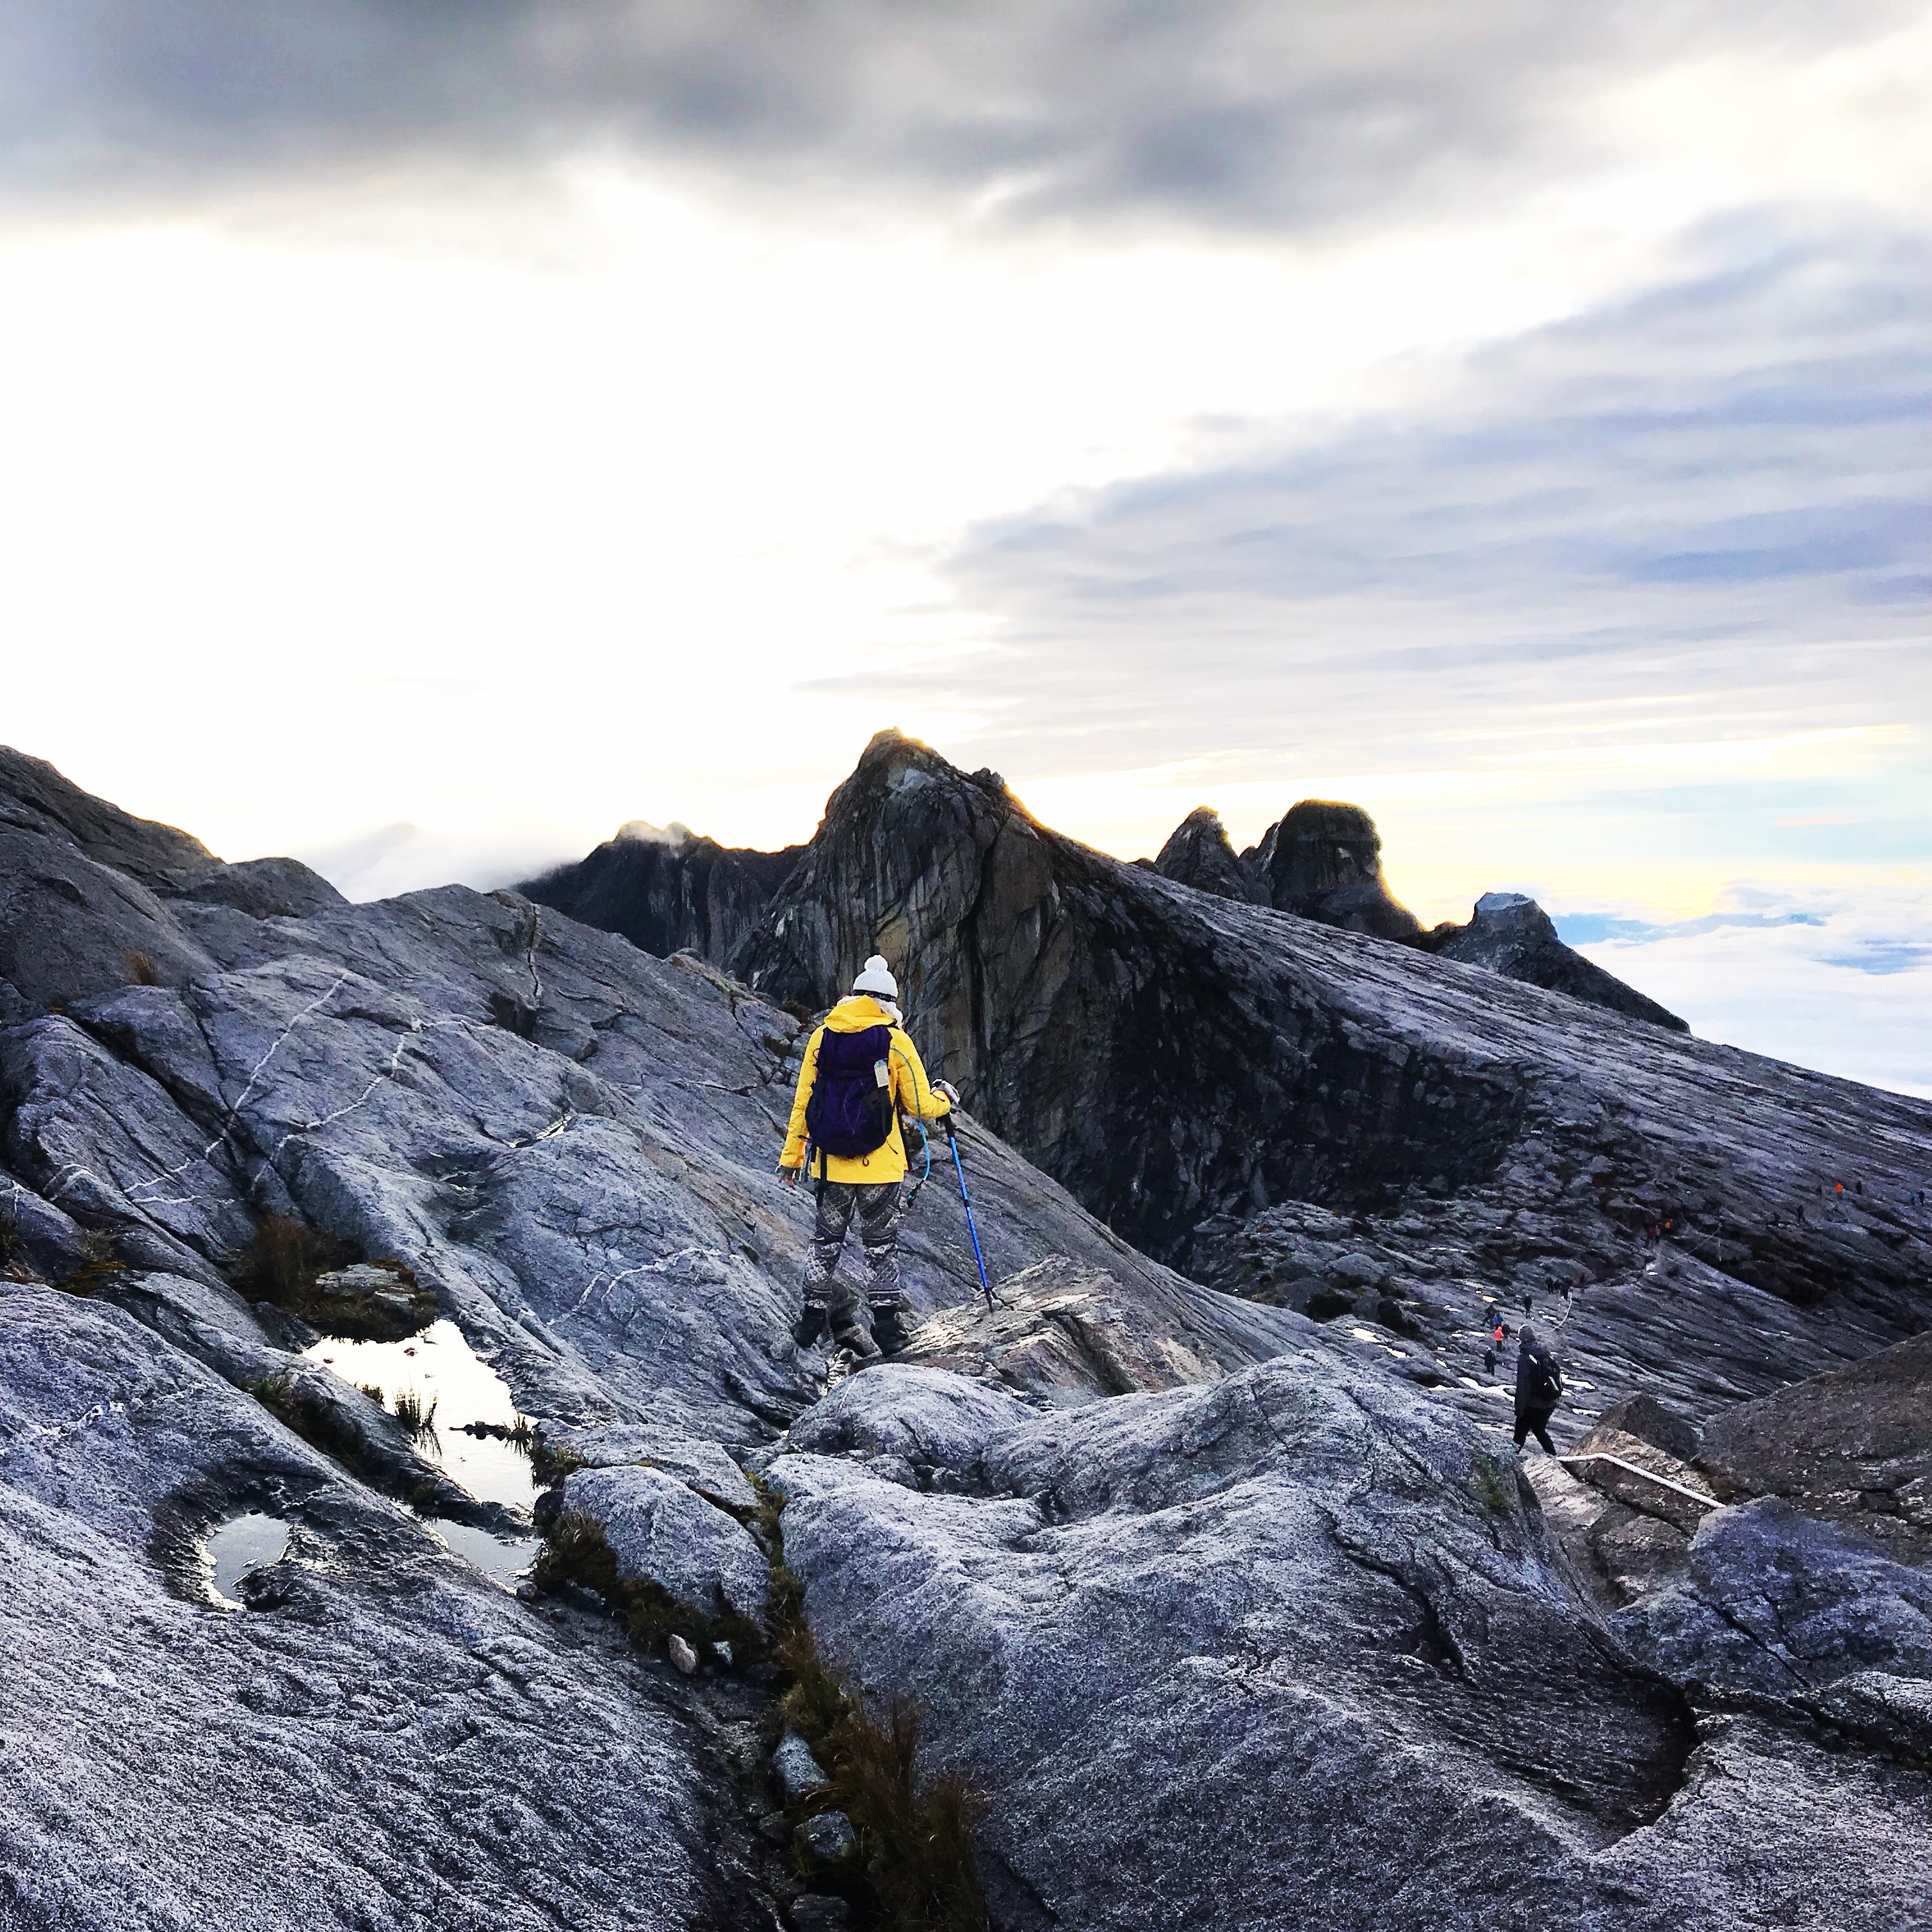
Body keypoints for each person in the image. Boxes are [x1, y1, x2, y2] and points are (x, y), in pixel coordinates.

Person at [777, 954, 956, 1358]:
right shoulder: (894, 1040)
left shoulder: (822, 1037)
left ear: (854, 996)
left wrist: (792, 1156)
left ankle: (809, 1320)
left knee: (826, 1243)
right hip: (881, 1165)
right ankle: (888, 1331)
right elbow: (919, 1105)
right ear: (889, 1000)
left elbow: (804, 1101)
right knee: (881, 1246)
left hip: (831, 1164)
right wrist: (946, 1100)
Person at [1513, 1321, 1564, 1455]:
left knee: (1519, 1436)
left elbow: (1523, 1386)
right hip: (1549, 1402)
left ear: (1521, 1339)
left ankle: (1508, 1463)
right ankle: (1555, 1457)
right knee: (1539, 1430)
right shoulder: (1544, 1351)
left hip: (1533, 1404)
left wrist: (1519, 1409)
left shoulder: (1525, 1357)